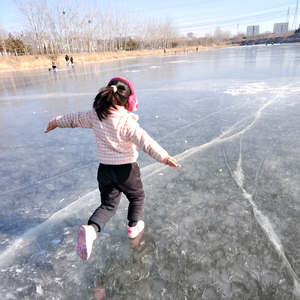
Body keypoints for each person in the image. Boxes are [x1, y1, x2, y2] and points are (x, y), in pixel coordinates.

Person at [45, 76, 180, 260]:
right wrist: (165, 157)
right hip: (127, 171)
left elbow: (74, 119)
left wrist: (55, 121)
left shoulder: (94, 115)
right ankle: (133, 226)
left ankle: (91, 230)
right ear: (129, 102)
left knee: (108, 205)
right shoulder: (127, 122)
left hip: (105, 171)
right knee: (137, 196)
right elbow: (146, 142)